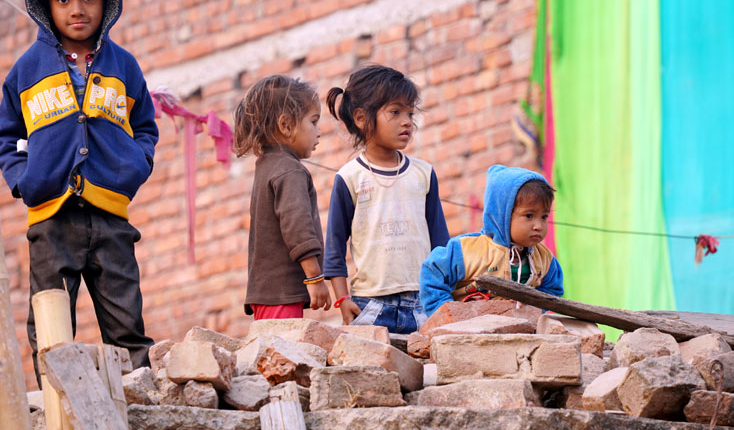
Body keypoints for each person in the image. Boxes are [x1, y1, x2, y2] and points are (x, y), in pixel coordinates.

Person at [0, 0, 158, 377]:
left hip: (111, 217)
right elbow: (6, 137)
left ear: (107, 3)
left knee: (126, 324)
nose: (77, 9)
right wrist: (24, 181)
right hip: (51, 217)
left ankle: (138, 404)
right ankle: (57, 409)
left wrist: (137, 164)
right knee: (51, 327)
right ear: (46, 6)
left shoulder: (124, 66)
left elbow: (145, 126)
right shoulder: (25, 71)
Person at [323, 65, 450, 334]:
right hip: (369, 305)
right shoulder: (349, 178)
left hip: (423, 303)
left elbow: (440, 241)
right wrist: (342, 299)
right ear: (361, 118)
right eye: (395, 112)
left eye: (410, 113)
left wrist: (446, 294)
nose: (407, 121)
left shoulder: (423, 174)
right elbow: (334, 245)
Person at [234, 75, 332, 319]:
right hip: (280, 294)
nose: (319, 132)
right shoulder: (290, 170)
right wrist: (315, 277)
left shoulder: (267, 166)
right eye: (313, 121)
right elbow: (296, 226)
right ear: (286, 125)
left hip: (267, 294)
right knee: (283, 356)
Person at [419, 165, 564, 315]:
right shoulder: (467, 250)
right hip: (467, 330)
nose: (538, 226)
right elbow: (433, 272)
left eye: (544, 217)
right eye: (529, 215)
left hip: (518, 330)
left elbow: (553, 290)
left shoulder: (545, 259)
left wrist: (534, 310)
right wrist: (445, 313)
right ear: (502, 214)